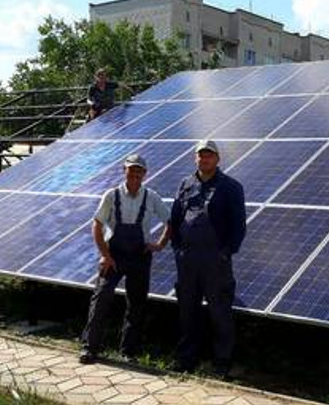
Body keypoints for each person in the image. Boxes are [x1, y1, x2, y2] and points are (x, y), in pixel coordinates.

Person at [79, 153, 171, 364]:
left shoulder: (152, 197)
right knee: (101, 298)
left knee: (136, 304)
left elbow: (170, 221)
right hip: (114, 256)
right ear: (125, 171)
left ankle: (128, 352)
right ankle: (90, 348)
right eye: (132, 169)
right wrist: (105, 255)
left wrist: (160, 244)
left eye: (139, 170)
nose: (135, 174)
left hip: (140, 256)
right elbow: (97, 225)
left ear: (145, 174)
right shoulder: (111, 196)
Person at [170, 140, 246, 378]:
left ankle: (221, 361)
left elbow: (239, 226)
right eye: (201, 156)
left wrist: (225, 254)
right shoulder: (186, 184)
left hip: (216, 261)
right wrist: (177, 250)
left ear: (217, 159)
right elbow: (175, 218)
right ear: (196, 158)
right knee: (187, 311)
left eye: (209, 155)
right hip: (188, 260)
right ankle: (186, 358)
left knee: (219, 311)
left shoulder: (231, 186)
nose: (205, 159)